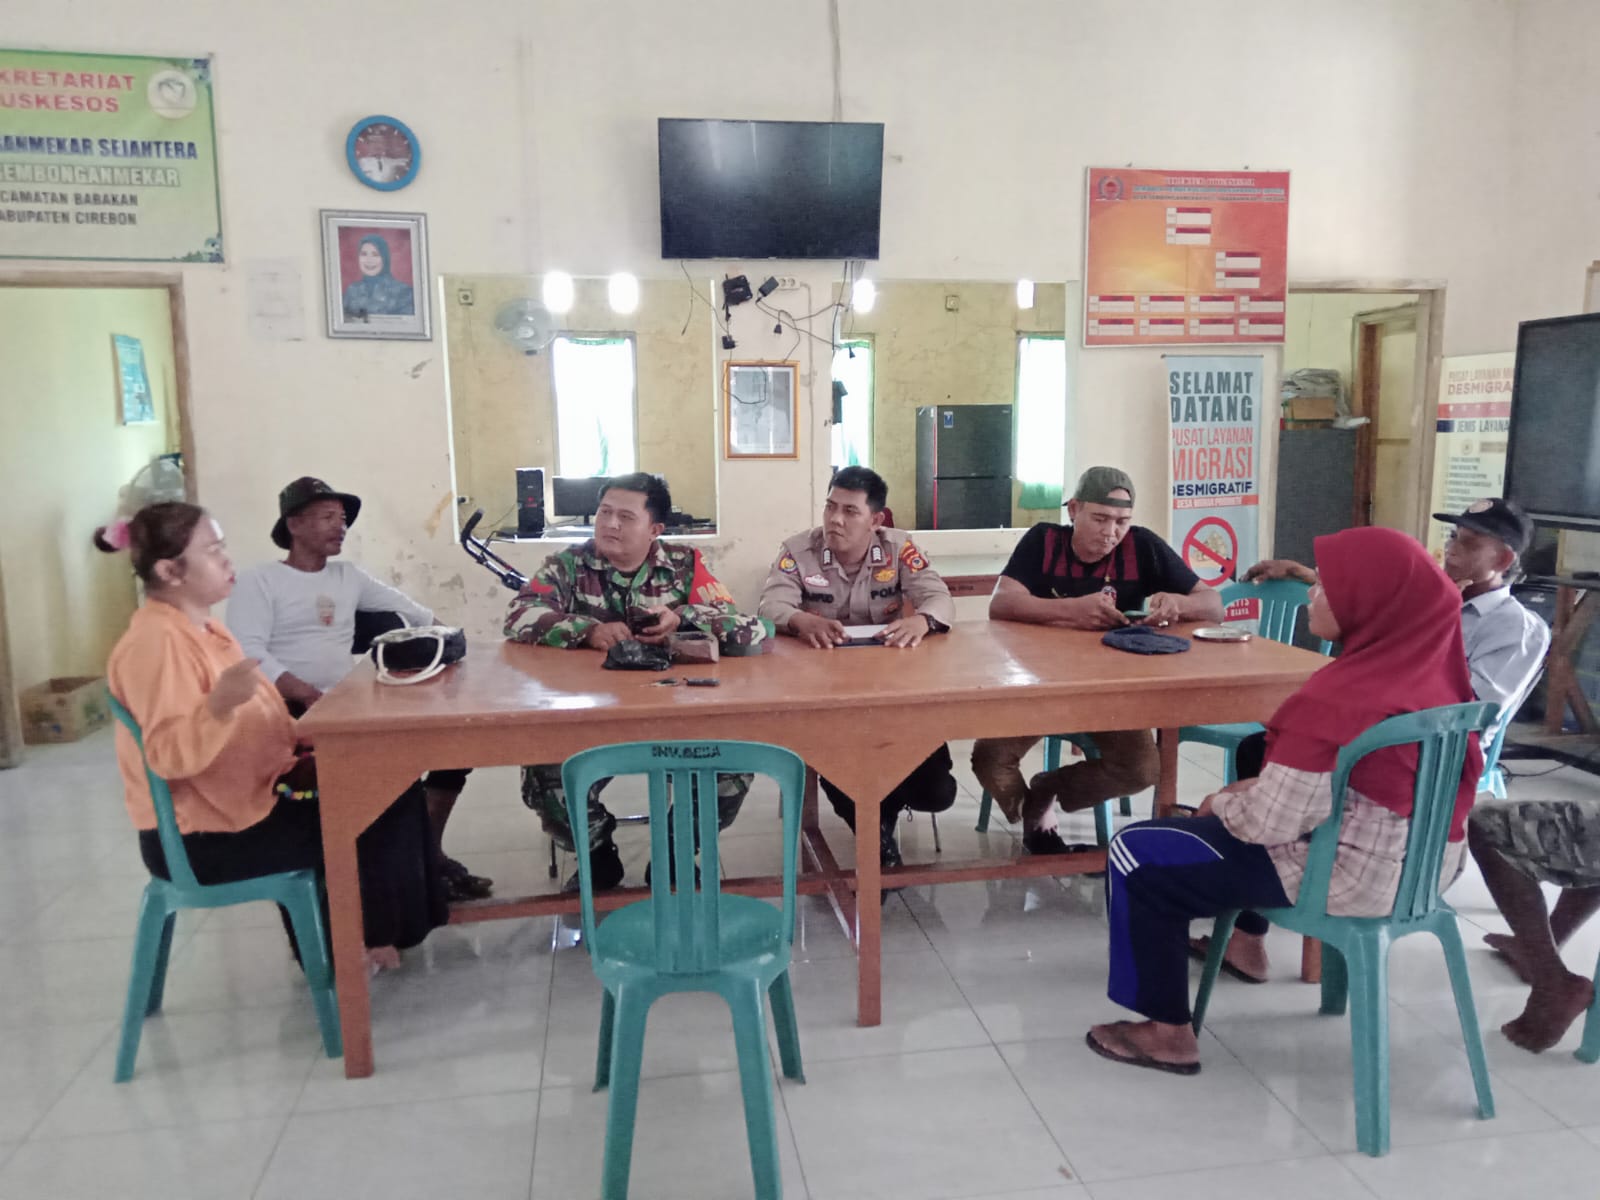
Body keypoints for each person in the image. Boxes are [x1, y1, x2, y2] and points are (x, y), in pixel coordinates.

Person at [1086, 527, 1483, 1073]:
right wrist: (1252, 792)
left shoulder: (1342, 695)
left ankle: (1165, 1032)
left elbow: (1265, 826)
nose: (1312, 595)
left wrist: (1220, 802)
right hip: (1425, 871)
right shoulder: (1435, 675)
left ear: (1370, 603)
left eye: (1326, 588)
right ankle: (1245, 946)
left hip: (1350, 878)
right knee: (1251, 769)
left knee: (1139, 851)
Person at [1210, 498, 1550, 983]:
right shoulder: (1433, 597)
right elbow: (1371, 603)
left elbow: (1465, 713)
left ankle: (1277, 894)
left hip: (1429, 754)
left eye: (1470, 543)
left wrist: (1363, 704)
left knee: (1292, 763)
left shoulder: (1516, 628)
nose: (1452, 550)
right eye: (1453, 538)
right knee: (1262, 749)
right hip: (1383, 729)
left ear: (1503, 559)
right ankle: (1266, 896)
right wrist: (1311, 576)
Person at [100, 502, 446, 973]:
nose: (226, 558)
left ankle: (381, 931)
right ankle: (353, 946)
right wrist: (219, 707)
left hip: (248, 799)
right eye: (212, 550)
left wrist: (308, 742)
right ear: (169, 571)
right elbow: (166, 756)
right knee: (374, 808)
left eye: (223, 546)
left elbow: (260, 715)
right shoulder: (156, 643)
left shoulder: (206, 630)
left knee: (392, 782)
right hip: (203, 837)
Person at [227, 477, 493, 903]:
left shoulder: (347, 577)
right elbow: (248, 652)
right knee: (384, 769)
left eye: (343, 519)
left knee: (451, 746)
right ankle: (395, 869)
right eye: (328, 517)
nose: (341, 526)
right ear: (294, 525)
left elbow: (411, 611)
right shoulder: (260, 581)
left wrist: (458, 645)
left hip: (345, 706)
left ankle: (428, 857)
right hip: (286, 711)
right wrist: (306, 694)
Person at [505, 472, 770, 890]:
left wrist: (681, 617)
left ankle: (675, 851)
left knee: (731, 769)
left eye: (626, 517)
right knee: (545, 776)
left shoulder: (684, 565)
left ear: (655, 529)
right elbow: (519, 615)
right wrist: (587, 630)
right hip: (588, 714)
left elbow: (746, 628)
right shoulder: (567, 565)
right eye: (604, 513)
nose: (610, 524)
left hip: (675, 714)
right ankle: (596, 853)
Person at [971, 466, 1224, 855]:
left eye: (1122, 521)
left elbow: (1213, 605)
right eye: (1100, 519)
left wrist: (1178, 603)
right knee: (990, 759)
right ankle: (1030, 811)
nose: (1111, 532)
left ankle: (1048, 789)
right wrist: (1071, 610)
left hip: (1111, 690)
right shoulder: (1044, 540)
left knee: (1142, 769)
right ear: (1073, 510)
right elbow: (1001, 604)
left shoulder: (1142, 546)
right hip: (1038, 683)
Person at [757, 466, 958, 870]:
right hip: (824, 689)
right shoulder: (798, 551)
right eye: (830, 507)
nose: (835, 519)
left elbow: (939, 597)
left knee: (938, 792)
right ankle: (874, 835)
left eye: (850, 511)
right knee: (840, 760)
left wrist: (922, 621)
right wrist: (801, 620)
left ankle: (883, 811)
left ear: (876, 520)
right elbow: (770, 606)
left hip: (892, 685)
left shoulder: (899, 548)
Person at [341, 234, 414, 319]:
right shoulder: (351, 291)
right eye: (364, 254)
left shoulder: (404, 292)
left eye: (375, 255)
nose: (369, 260)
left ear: (385, 258)